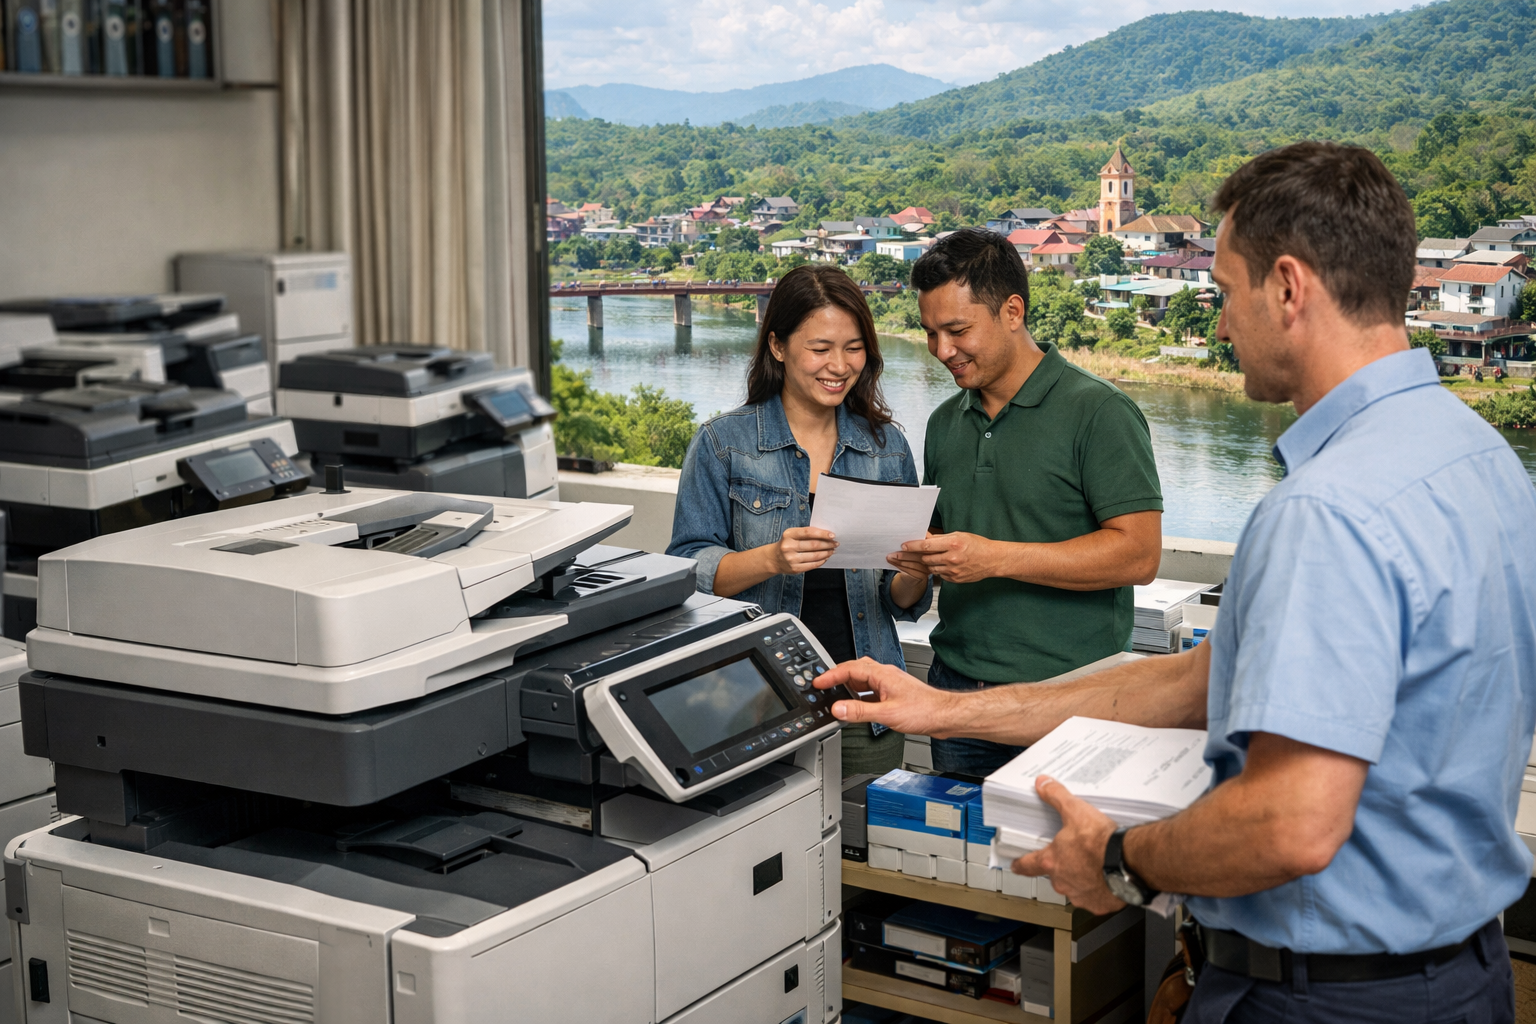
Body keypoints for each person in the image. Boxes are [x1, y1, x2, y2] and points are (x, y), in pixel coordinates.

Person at [818, 142, 1536, 1023]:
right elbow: (1195, 681)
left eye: (1226, 294)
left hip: (1325, 996)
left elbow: (1291, 821)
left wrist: (1122, 858)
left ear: (1288, 286)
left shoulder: (1328, 508)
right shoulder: (1478, 456)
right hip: (1458, 971)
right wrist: (943, 711)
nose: (1221, 326)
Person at [885, 228, 1164, 776]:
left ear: (1012, 311)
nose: (943, 351)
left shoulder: (1101, 412)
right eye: (930, 333)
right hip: (958, 696)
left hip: (1072, 697)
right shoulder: (944, 423)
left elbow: (1138, 557)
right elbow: (938, 557)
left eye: (958, 330)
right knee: (956, 860)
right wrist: (915, 562)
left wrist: (994, 558)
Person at [668, 263, 932, 776]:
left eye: (853, 347)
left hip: (866, 704)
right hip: (751, 705)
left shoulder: (886, 447)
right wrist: (772, 558)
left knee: (863, 852)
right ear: (777, 346)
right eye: (819, 348)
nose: (839, 365)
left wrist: (916, 570)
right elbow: (687, 567)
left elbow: (898, 602)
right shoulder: (724, 443)